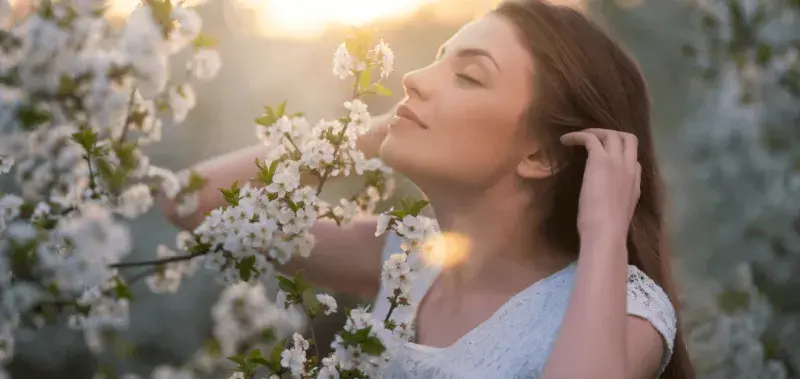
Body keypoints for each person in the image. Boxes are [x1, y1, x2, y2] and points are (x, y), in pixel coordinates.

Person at [161, 0, 696, 378]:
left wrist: (604, 231)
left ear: (542, 156)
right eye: (438, 57)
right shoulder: (407, 258)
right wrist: (353, 136)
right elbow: (192, 203)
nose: (414, 77)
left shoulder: (623, 308)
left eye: (468, 76)